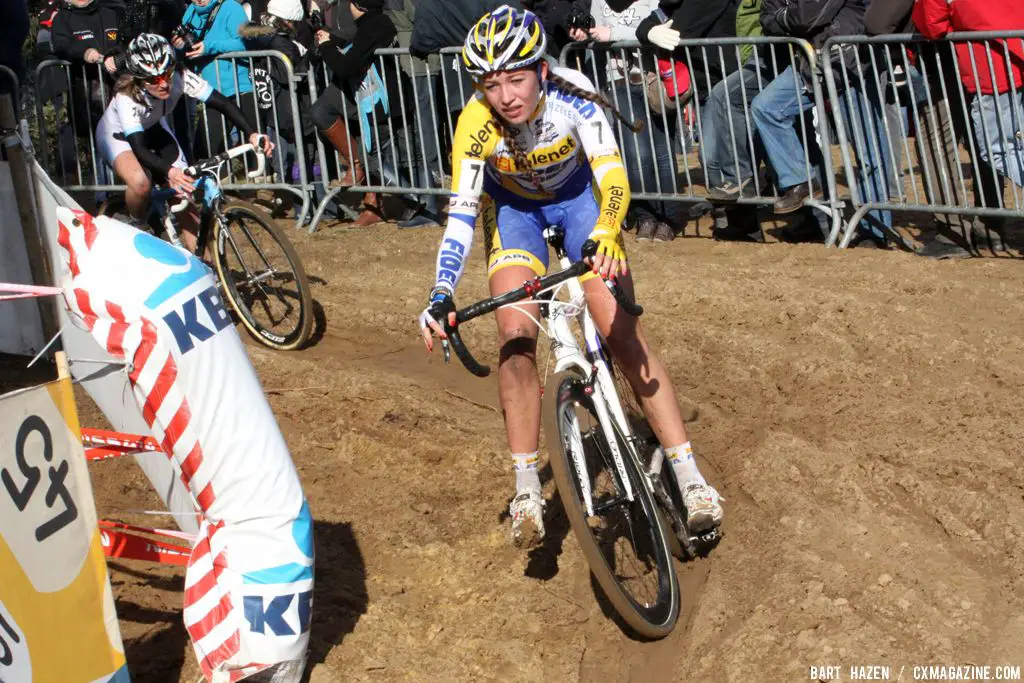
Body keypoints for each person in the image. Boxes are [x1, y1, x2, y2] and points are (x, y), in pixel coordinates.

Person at [418, 6, 724, 548]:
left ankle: (690, 477)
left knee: (619, 330)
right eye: (491, 84)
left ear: (540, 69)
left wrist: (607, 232)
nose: (506, 95)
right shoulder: (474, 123)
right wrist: (441, 292)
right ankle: (526, 490)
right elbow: (462, 213)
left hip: (584, 201)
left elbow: (611, 175)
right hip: (515, 213)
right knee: (514, 343)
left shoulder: (573, 91)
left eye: (516, 79)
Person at [96, 34, 273, 250]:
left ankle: (210, 269)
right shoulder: (127, 98)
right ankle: (137, 222)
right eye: (153, 80)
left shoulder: (180, 76)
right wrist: (169, 172)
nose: (163, 84)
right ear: (139, 79)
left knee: (186, 197)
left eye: (166, 74)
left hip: (155, 129)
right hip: (117, 136)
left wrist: (252, 133)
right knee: (140, 183)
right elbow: (138, 147)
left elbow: (223, 104)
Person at [570, 0, 685, 244]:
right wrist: (585, 35)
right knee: (636, 153)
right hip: (618, 81)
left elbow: (660, 30)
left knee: (663, 150)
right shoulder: (599, 2)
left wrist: (614, 33)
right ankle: (645, 215)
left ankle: (669, 217)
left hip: (655, 78)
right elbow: (596, 36)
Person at [175, 0, 257, 158]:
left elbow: (245, 44)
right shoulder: (190, 13)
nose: (199, 0)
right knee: (204, 153)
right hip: (211, 92)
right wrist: (179, 47)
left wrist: (208, 47)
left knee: (254, 149)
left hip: (240, 88)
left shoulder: (231, 7)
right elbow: (187, 53)